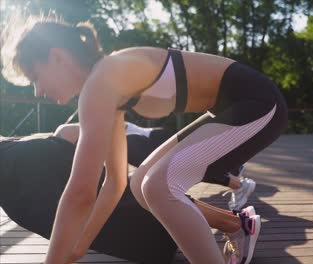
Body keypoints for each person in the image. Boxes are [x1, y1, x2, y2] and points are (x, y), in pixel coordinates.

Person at [1, 14, 287, 264]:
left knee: (158, 186)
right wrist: (80, 246)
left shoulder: (103, 80)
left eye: (35, 76)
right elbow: (115, 184)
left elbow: (80, 193)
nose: (37, 91)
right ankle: (238, 228)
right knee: (141, 184)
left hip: (260, 103)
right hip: (233, 108)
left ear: (57, 57)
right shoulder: (108, 88)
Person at [0, 134, 257, 263]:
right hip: (22, 161)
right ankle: (233, 222)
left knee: (122, 204)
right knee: (121, 206)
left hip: (18, 169)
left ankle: (234, 224)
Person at [55, 121, 256, 210]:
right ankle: (235, 171)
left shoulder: (107, 138)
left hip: (150, 141)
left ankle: (238, 183)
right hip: (153, 137)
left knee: (179, 168)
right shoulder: (102, 131)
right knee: (187, 164)